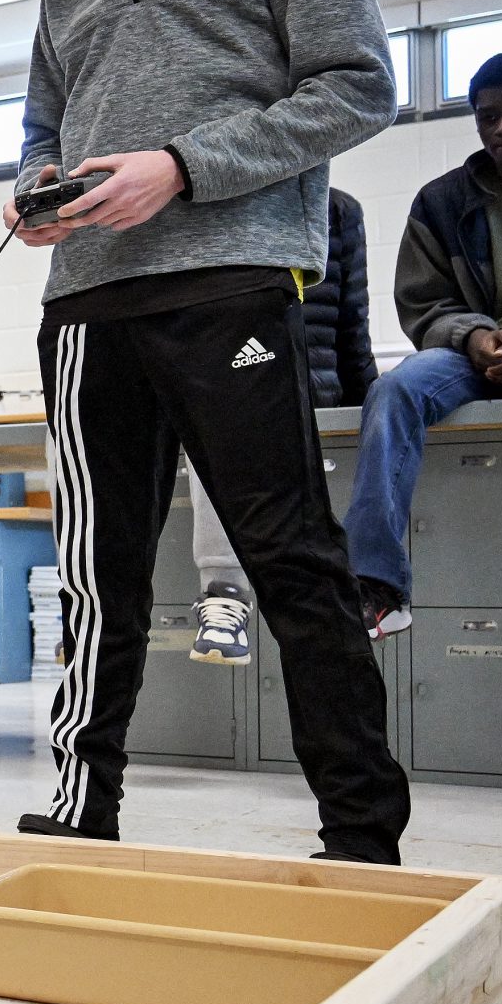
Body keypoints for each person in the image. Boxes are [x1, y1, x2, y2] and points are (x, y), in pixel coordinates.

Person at [5, 0, 408, 864]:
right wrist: (41, 190)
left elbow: (356, 89)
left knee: (287, 555)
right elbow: (46, 126)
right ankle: (84, 802)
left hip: (229, 283)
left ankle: (361, 828)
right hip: (86, 306)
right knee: (96, 572)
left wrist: (182, 167)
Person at [343, 48, 502, 637]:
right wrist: (476, 336)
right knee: (397, 388)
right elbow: (424, 305)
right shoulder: (442, 199)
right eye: (488, 117)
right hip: (478, 350)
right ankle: (376, 584)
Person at [182, 186, 377, 666]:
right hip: (212, 377)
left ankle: (225, 590)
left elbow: (354, 324)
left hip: (304, 388)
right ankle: (94, 602)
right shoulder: (198, 196)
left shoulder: (338, 210)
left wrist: (367, 415)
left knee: (230, 405)